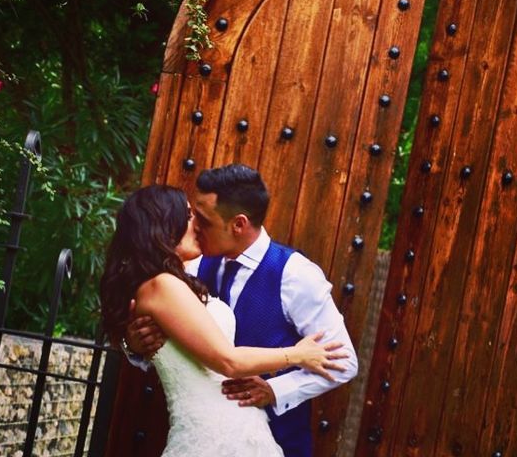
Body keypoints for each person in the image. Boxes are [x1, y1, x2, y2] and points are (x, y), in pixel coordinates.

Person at [126, 164, 359, 456]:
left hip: (278, 440)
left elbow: (345, 361)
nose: (194, 225)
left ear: (238, 224)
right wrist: (134, 347)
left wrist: (275, 391)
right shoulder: (190, 267)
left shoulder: (296, 274)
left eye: (204, 219)